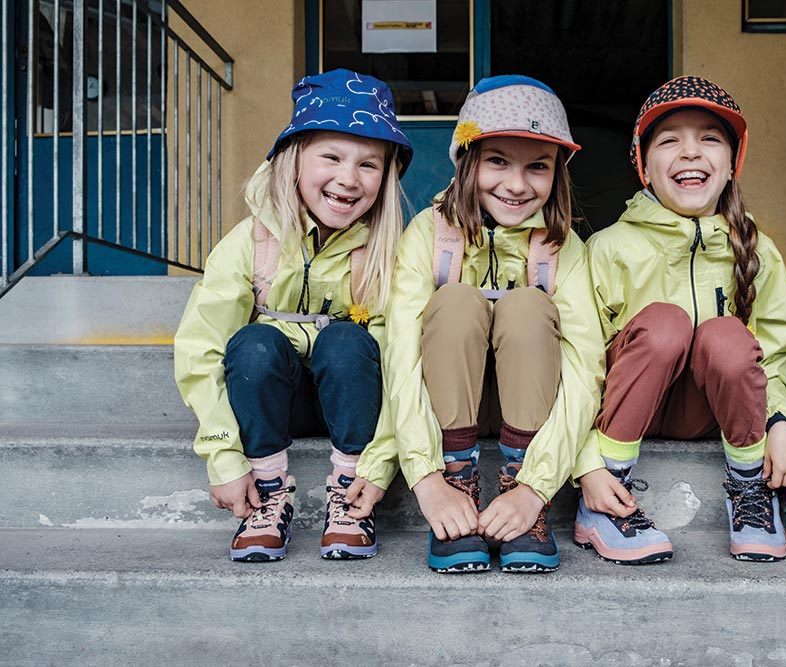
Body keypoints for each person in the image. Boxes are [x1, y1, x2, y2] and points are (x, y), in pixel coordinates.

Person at [174, 69, 411, 562]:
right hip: (274, 400)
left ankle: (348, 497)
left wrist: (380, 461)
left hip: (350, 401)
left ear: (386, 177)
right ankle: (268, 493)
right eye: (331, 157)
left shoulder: (386, 253)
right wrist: (223, 456)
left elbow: (404, 363)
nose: (349, 178)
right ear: (294, 159)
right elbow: (200, 349)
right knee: (252, 344)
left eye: (369, 164)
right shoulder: (250, 243)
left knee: (348, 341)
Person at [574, 75, 786, 564]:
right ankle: (609, 495)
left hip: (714, 413)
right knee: (664, 322)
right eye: (670, 140)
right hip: (625, 412)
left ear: (731, 163)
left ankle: (749, 492)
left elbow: (775, 351)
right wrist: (585, 463)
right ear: (643, 164)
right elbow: (577, 367)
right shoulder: (608, 249)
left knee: (726, 334)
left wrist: (782, 422)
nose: (691, 152)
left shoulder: (757, 250)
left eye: (709, 139)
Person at [384, 75, 605, 573]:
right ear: (468, 160)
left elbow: (583, 368)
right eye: (498, 161)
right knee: (457, 300)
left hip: (528, 416)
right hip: (449, 411)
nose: (516, 184)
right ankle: (460, 481)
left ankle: (521, 498)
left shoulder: (562, 247)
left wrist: (536, 487)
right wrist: (426, 479)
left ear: (557, 173)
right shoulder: (428, 234)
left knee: (528, 305)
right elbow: (399, 355)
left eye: (538, 167)